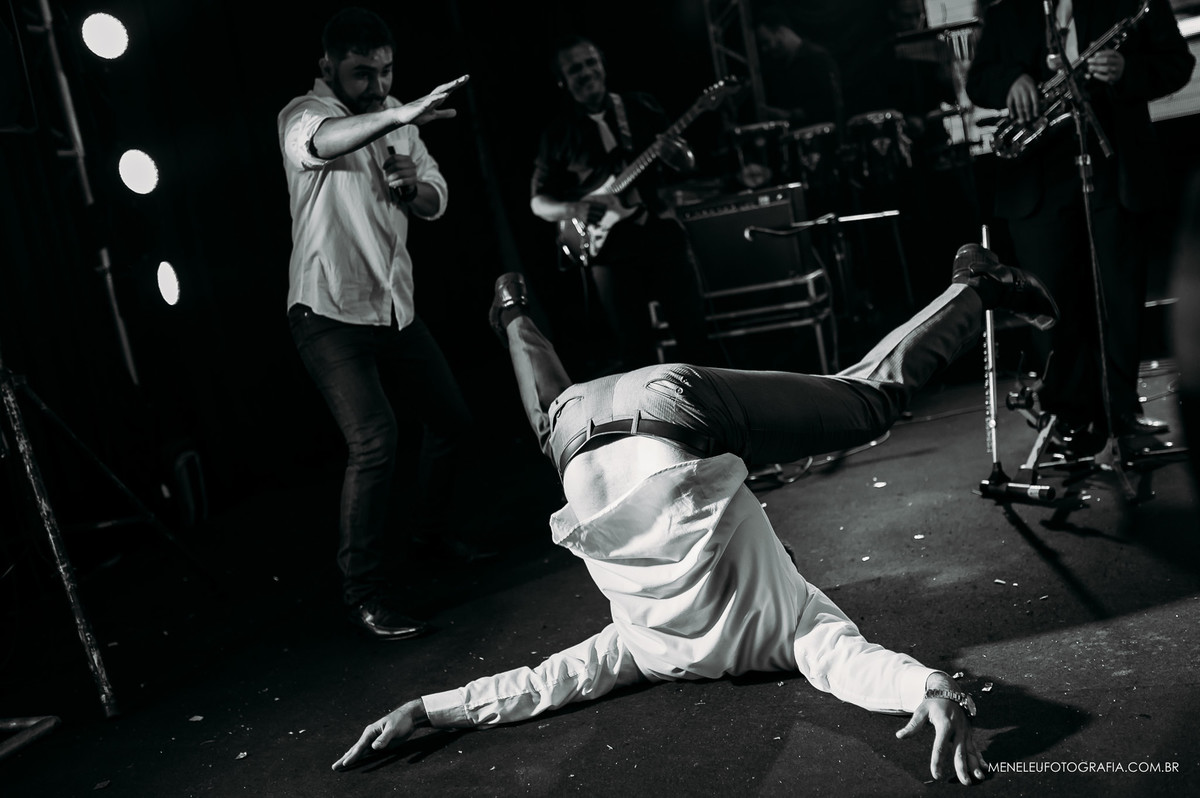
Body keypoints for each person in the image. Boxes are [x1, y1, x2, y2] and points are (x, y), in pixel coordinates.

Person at [332, 244, 1062, 785]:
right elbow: (540, 684)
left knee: (869, 401)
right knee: (546, 420)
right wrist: (431, 708)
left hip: (672, 412)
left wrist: (932, 687)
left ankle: (975, 284)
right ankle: (514, 311)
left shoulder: (797, 629)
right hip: (578, 431)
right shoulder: (633, 650)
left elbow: (855, 668)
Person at [277, 7, 479, 641]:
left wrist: (411, 186)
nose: (378, 84)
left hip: (392, 307)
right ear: (328, 67)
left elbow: (437, 200)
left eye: (386, 72)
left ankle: (428, 536)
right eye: (363, 73)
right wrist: (396, 114)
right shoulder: (303, 114)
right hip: (328, 310)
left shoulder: (400, 121)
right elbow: (323, 143)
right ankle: (364, 592)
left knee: (451, 420)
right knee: (374, 440)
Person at [966, 0, 1195, 452]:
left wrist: (1128, 69)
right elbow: (978, 80)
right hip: (1038, 180)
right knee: (1052, 303)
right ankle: (1068, 418)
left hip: (1115, 167)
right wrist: (1010, 81)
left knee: (1120, 297)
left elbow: (1177, 64)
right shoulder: (1005, 10)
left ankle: (1121, 411)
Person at [530, 35, 716, 372]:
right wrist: (575, 209)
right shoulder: (557, 134)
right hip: (610, 251)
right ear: (562, 81)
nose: (586, 73)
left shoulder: (641, 106)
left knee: (694, 336)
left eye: (591, 63)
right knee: (634, 350)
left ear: (602, 65)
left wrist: (679, 156)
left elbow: (687, 164)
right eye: (575, 69)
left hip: (660, 229)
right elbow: (538, 203)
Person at [754, 6, 844, 131]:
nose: (765, 50)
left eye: (766, 42)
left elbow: (830, 105)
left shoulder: (818, 59)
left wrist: (790, 115)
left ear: (781, 32)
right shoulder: (784, 66)